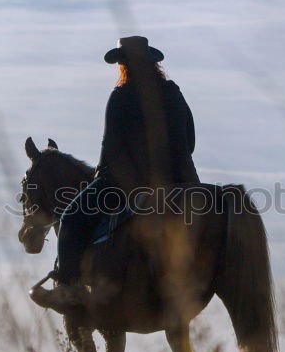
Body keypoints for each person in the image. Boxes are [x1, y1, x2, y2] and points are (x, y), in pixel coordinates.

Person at [31, 36, 199, 310]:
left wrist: (101, 177)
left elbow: (110, 148)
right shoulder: (174, 92)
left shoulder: (121, 96)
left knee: (71, 218)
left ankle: (67, 289)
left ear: (123, 65)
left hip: (129, 185)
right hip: (185, 182)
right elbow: (190, 141)